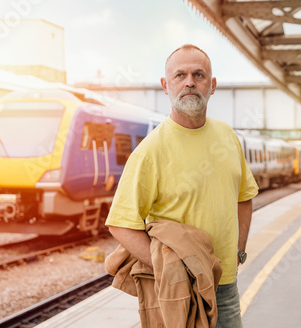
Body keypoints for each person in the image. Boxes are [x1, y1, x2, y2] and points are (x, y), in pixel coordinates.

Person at [105, 44, 259, 328]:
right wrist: (172, 269)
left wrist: (239, 250)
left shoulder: (227, 136)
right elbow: (121, 224)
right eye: (180, 75)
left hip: (225, 284)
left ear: (212, 85)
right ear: (166, 85)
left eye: (199, 75)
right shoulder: (150, 151)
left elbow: (244, 196)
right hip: (180, 291)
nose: (189, 82)